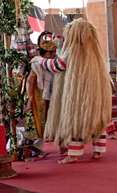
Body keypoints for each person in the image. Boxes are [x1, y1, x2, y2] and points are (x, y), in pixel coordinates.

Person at [32, 18, 112, 164]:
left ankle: (73, 154)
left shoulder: (73, 50)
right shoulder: (94, 51)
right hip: (95, 92)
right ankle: (98, 151)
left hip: (78, 95)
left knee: (76, 121)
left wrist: (39, 61)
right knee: (97, 121)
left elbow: (58, 65)